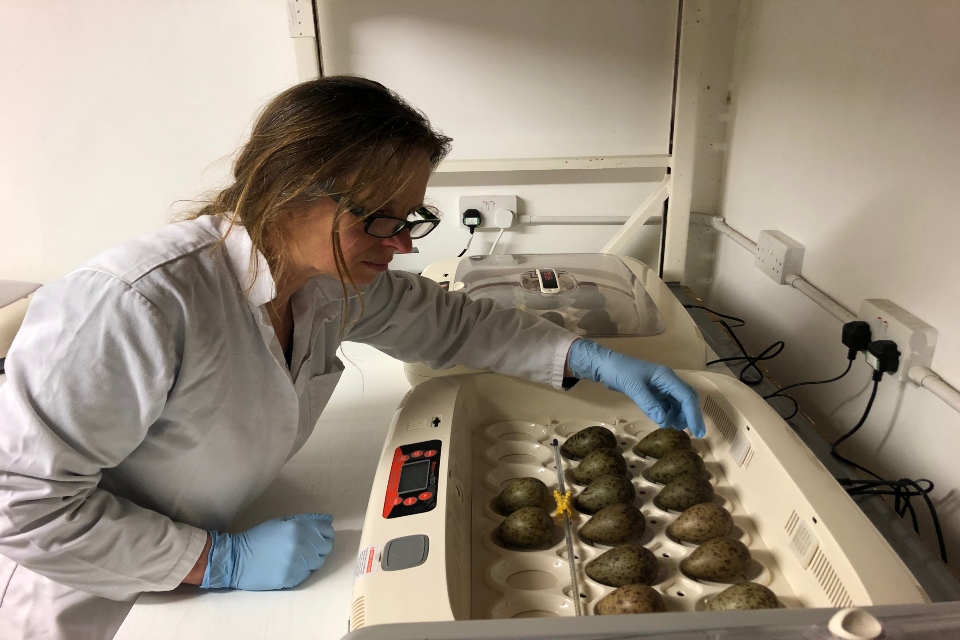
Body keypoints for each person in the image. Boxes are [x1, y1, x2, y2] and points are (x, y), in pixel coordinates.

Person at [0, 76, 705, 639]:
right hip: (89, 599)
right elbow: (22, 508)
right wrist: (215, 561)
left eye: (412, 218)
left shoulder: (323, 282)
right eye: (381, 218)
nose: (402, 244)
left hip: (203, 560)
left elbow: (446, 322)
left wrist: (589, 356)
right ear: (285, 188)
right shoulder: (136, 304)